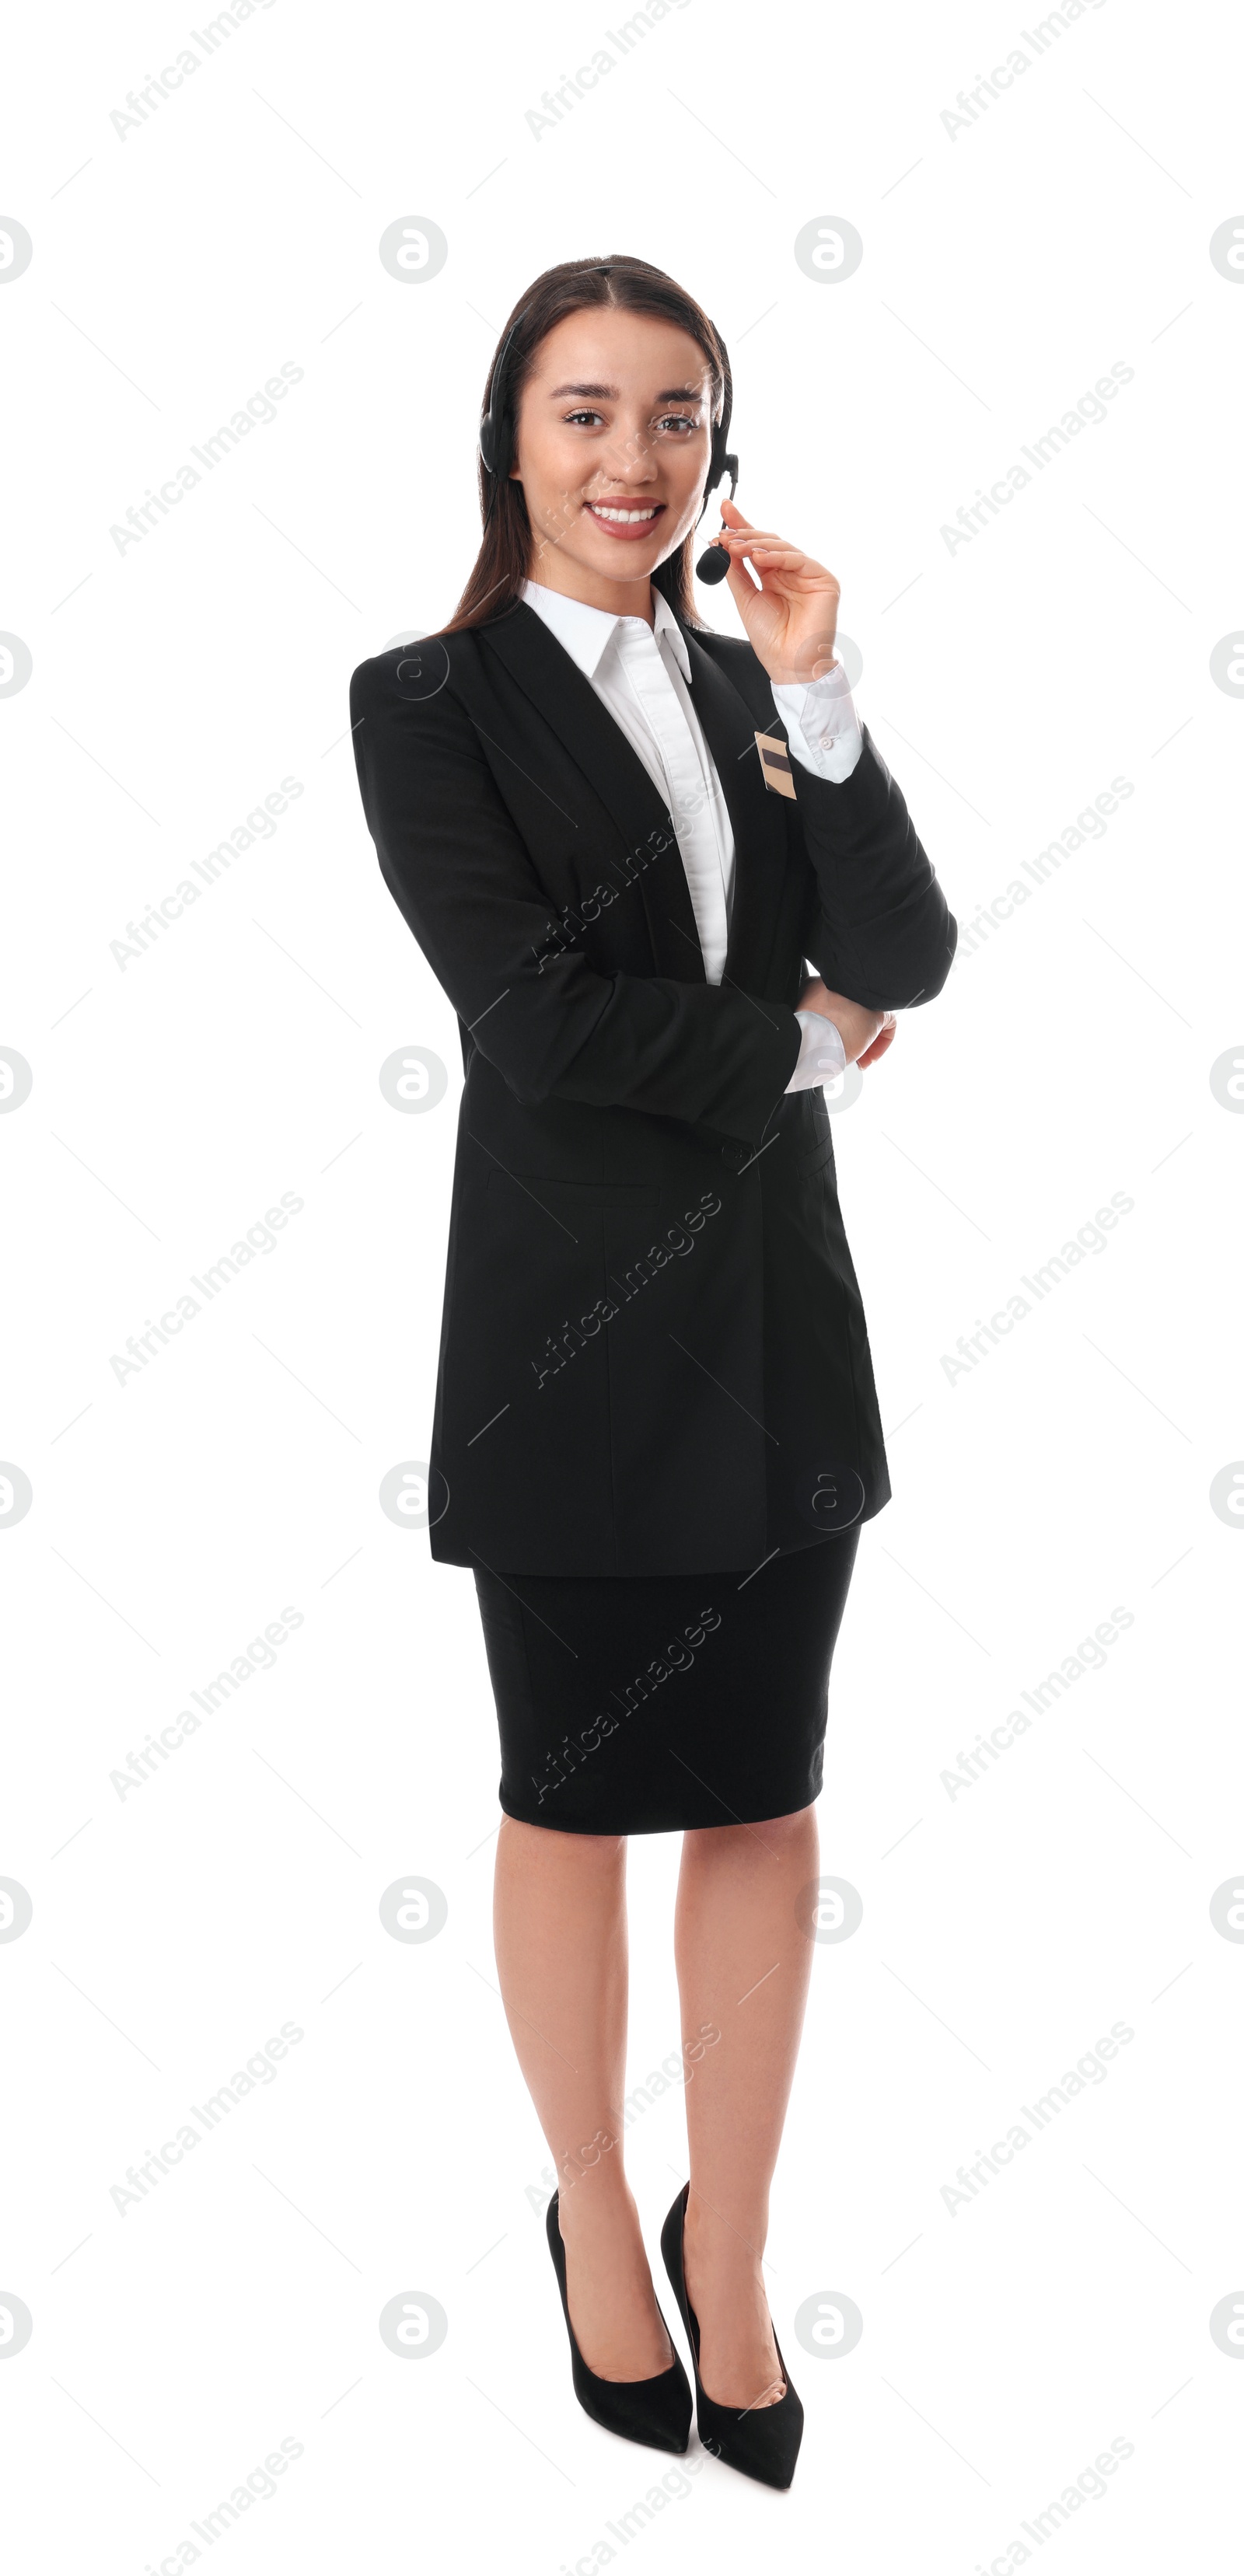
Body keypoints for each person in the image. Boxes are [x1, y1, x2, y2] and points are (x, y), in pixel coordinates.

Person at [349, 253, 956, 2487]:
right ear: (512, 432)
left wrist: (830, 698)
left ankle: (736, 2244)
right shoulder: (423, 701)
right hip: (569, 1345)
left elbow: (909, 953)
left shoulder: (742, 683)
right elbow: (532, 1024)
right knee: (573, 1797)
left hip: (776, 1333)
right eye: (588, 412)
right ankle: (596, 2213)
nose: (635, 459)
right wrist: (796, 1046)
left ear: (721, 454)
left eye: (678, 418)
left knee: (763, 1791)